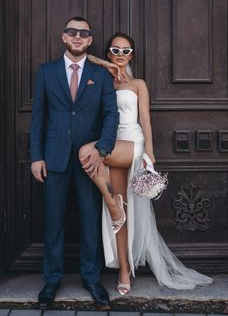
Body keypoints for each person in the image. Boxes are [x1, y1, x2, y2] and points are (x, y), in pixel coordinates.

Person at [79, 32, 213, 295]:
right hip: (111, 143)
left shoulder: (138, 84)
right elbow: (84, 56)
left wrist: (149, 152)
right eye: (115, 51)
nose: (120, 55)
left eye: (125, 51)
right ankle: (124, 270)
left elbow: (145, 119)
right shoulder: (102, 81)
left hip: (132, 143)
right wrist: (107, 67)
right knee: (121, 214)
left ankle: (110, 203)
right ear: (108, 54)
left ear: (132, 55)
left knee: (86, 152)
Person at [30, 16, 119, 310]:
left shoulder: (101, 75)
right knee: (53, 223)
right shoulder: (46, 72)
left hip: (89, 161)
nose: (78, 36)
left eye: (84, 33)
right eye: (72, 32)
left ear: (90, 40)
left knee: (90, 220)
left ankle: (92, 280)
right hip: (53, 158)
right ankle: (52, 280)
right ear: (63, 37)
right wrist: (36, 156)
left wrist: (103, 149)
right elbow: (38, 117)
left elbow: (111, 116)